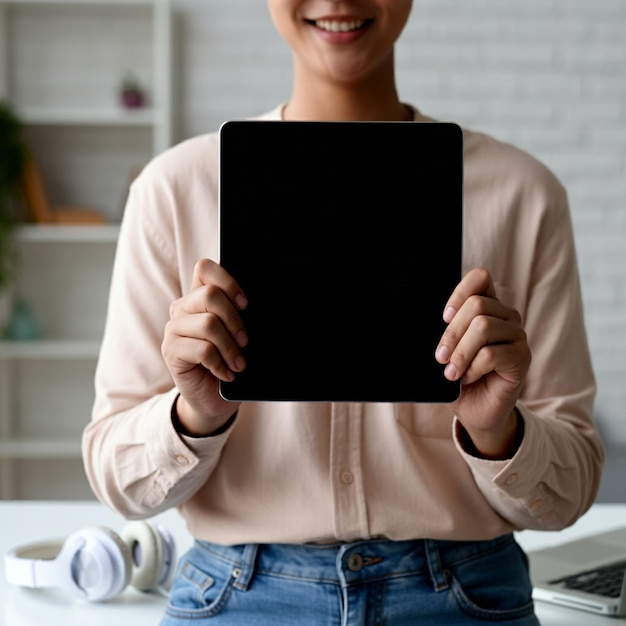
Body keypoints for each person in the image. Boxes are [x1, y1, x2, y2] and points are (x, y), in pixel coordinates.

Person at [82, 1, 605, 624]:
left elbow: (570, 492)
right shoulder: (173, 191)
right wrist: (193, 413)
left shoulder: (524, 194)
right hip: (237, 594)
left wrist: (498, 432)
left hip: (466, 595)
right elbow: (116, 480)